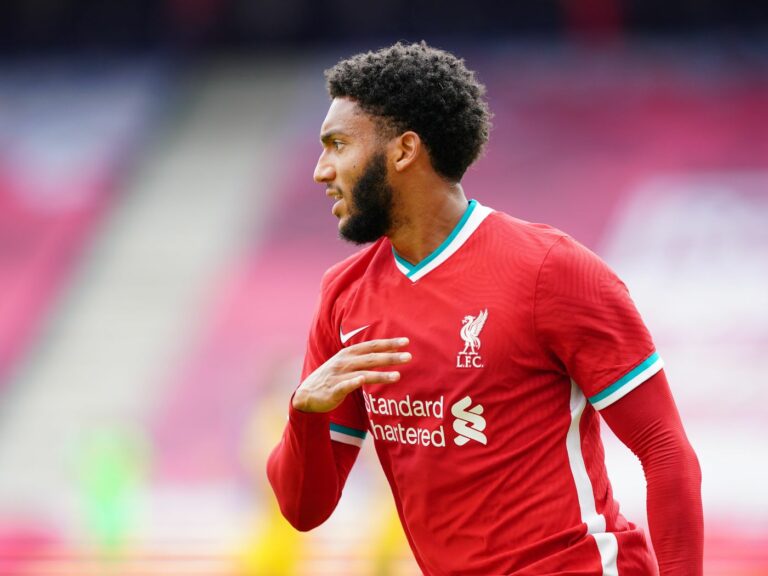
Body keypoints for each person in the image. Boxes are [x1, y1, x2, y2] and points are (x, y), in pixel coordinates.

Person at [267, 41, 703, 575]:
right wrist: (304, 413)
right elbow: (304, 510)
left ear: (404, 151)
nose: (320, 170)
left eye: (337, 144)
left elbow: (665, 451)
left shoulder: (552, 270)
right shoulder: (344, 295)